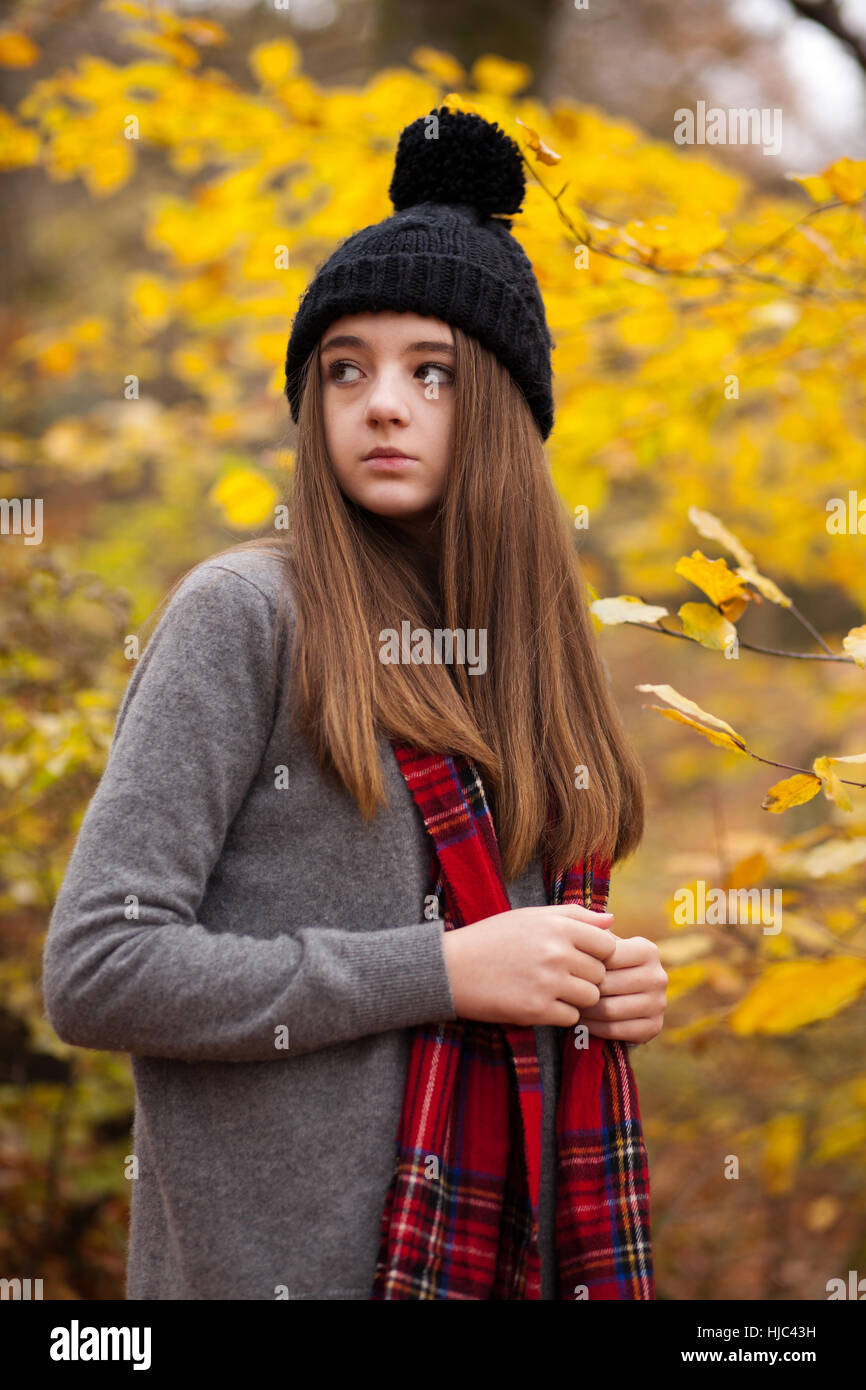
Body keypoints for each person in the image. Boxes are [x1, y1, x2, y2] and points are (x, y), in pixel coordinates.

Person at [42, 106, 666, 1301]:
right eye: (345, 369)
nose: (380, 402)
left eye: (428, 370)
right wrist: (438, 969)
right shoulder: (244, 615)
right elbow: (100, 967)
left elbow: (504, 966)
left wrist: (597, 991)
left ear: (497, 407)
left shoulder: (527, 658)